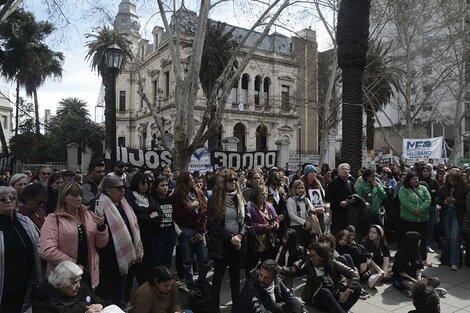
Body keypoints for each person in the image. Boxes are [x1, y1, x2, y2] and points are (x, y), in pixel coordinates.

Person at [40, 182, 109, 289]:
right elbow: (47, 251)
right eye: (74, 195)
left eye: (80, 195)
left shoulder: (88, 215)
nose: (79, 198)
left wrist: (101, 227)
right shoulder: (54, 219)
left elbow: (100, 244)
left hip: (88, 271)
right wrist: (73, 264)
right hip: (64, 275)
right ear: (64, 197)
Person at [94, 176, 143, 308]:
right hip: (107, 258)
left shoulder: (124, 204)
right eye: (119, 188)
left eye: (124, 188)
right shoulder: (99, 205)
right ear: (108, 190)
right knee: (107, 294)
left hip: (125, 257)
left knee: (120, 291)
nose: (123, 191)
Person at [207, 169, 249, 313]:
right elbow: (213, 225)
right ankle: (215, 308)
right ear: (222, 183)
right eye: (231, 180)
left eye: (235, 180)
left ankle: (236, 307)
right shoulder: (214, 199)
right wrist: (230, 238)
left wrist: (240, 236)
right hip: (221, 244)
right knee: (218, 277)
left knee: (235, 277)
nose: (234, 183)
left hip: (238, 242)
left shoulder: (239, 197)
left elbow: (247, 221)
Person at [0, 186, 42, 313]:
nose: (9, 201)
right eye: (2, 199)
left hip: (26, 284)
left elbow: (38, 246)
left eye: (12, 198)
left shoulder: (25, 221)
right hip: (4, 285)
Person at [32, 260, 119, 313]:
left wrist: (100, 305)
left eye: (79, 281)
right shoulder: (44, 300)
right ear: (61, 285)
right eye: (74, 283)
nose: (79, 285)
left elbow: (96, 299)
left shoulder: (81, 288)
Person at [297, 243, 361, 313]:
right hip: (317, 298)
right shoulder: (309, 264)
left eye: (313, 256)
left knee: (357, 287)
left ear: (322, 257)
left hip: (334, 295)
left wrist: (347, 292)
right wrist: (292, 266)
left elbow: (354, 274)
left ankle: (340, 310)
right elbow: (295, 272)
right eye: (310, 256)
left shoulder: (332, 263)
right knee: (325, 291)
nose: (311, 258)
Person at [172, 172, 209, 284]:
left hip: (199, 230)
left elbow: (204, 212)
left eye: (193, 178)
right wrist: (190, 207)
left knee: (203, 259)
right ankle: (190, 284)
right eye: (190, 179)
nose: (193, 181)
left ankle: (202, 281)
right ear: (183, 182)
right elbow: (176, 215)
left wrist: (201, 231)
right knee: (187, 261)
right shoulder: (177, 195)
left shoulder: (199, 192)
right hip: (185, 229)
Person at [125, 172, 161, 285]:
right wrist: (148, 217)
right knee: (134, 267)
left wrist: (152, 218)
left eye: (148, 183)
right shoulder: (129, 196)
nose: (146, 185)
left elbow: (158, 212)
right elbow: (131, 216)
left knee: (148, 264)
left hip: (150, 236)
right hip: (136, 237)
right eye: (143, 183)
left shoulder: (148, 196)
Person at [236, 259, 307, 313]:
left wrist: (303, 310)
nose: (262, 279)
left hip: (270, 307)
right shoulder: (251, 286)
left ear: (274, 278)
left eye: (266, 277)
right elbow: (260, 310)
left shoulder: (277, 281)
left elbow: (291, 298)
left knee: (292, 305)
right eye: (260, 274)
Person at [392, 231, 442, 298]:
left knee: (436, 281)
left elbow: (418, 268)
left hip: (415, 276)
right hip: (403, 277)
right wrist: (415, 281)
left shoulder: (417, 252)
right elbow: (402, 273)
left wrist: (419, 280)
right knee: (409, 284)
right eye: (418, 240)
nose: (420, 241)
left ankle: (420, 291)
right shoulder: (401, 254)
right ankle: (427, 292)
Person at [398, 172, 432, 267]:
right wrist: (414, 210)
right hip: (408, 219)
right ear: (408, 180)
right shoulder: (404, 189)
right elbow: (404, 201)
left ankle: (423, 258)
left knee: (423, 240)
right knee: (409, 240)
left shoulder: (423, 188)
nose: (416, 180)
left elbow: (428, 199)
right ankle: (409, 258)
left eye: (417, 178)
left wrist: (420, 209)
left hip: (422, 219)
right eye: (413, 179)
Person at [437, 169, 466, 270]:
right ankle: (447, 259)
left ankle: (455, 262)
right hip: (447, 213)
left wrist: (455, 201)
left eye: (454, 180)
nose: (452, 182)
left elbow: (465, 204)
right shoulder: (444, 188)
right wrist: (444, 202)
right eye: (450, 180)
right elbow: (439, 200)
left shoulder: (464, 189)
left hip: (456, 214)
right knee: (448, 237)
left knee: (454, 238)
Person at [246, 185, 279, 274]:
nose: (264, 195)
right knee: (252, 266)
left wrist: (275, 225)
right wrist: (264, 227)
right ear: (256, 194)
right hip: (255, 241)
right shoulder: (250, 207)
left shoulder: (269, 206)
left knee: (267, 265)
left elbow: (276, 219)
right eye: (262, 194)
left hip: (268, 240)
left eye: (265, 193)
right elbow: (248, 224)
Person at [150, 175, 177, 268]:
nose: (165, 187)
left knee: (167, 260)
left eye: (166, 185)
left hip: (170, 233)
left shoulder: (170, 199)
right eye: (162, 185)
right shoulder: (152, 201)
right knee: (157, 261)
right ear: (156, 188)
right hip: (158, 235)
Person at [286, 179, 319, 248]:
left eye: (302, 188)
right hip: (296, 228)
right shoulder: (291, 200)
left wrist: (314, 211)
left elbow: (311, 209)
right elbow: (292, 215)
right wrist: (304, 222)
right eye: (299, 188)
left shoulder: (306, 200)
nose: (301, 190)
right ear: (294, 189)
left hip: (307, 228)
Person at [325, 163, 356, 235]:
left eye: (347, 169)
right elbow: (328, 198)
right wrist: (339, 203)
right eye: (343, 169)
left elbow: (355, 195)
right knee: (337, 233)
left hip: (349, 213)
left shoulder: (350, 183)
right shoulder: (332, 184)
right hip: (337, 213)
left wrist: (352, 200)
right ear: (338, 171)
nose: (345, 171)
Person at [419, 164, 440, 253]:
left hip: (431, 207)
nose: (426, 173)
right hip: (421, 208)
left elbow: (438, 194)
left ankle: (428, 244)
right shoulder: (418, 182)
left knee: (430, 227)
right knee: (421, 226)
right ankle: (420, 244)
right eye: (424, 171)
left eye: (428, 171)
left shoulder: (434, 182)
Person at [302, 164, 326, 232]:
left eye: (315, 172)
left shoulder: (317, 184)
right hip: (309, 214)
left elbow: (322, 197)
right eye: (311, 172)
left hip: (320, 213)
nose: (314, 174)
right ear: (306, 174)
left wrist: (323, 204)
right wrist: (314, 209)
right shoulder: (303, 185)